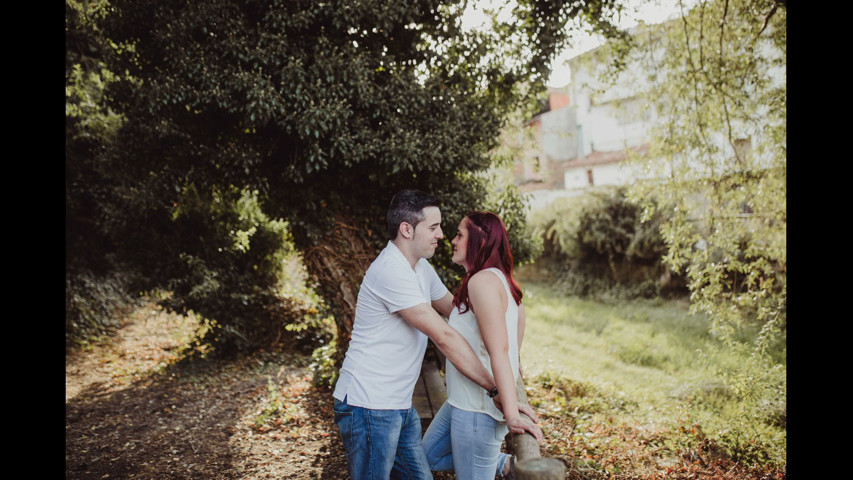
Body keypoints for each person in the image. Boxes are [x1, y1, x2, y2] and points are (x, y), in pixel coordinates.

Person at [333, 190, 531, 480]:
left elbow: (458, 310)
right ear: (406, 229)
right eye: (433, 227)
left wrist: (509, 346)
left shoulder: (421, 268)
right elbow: (445, 336)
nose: (442, 235)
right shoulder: (391, 271)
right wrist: (496, 389)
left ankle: (492, 461)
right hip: (369, 405)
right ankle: (494, 463)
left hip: (399, 404)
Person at [422, 211, 543, 480]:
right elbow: (517, 322)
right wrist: (516, 362)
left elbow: (499, 348)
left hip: (477, 409)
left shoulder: (482, 282)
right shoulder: (498, 279)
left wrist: (511, 413)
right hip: (461, 401)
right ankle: (501, 465)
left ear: (480, 240)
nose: (452, 240)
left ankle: (490, 464)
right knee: (426, 455)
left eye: (460, 234)